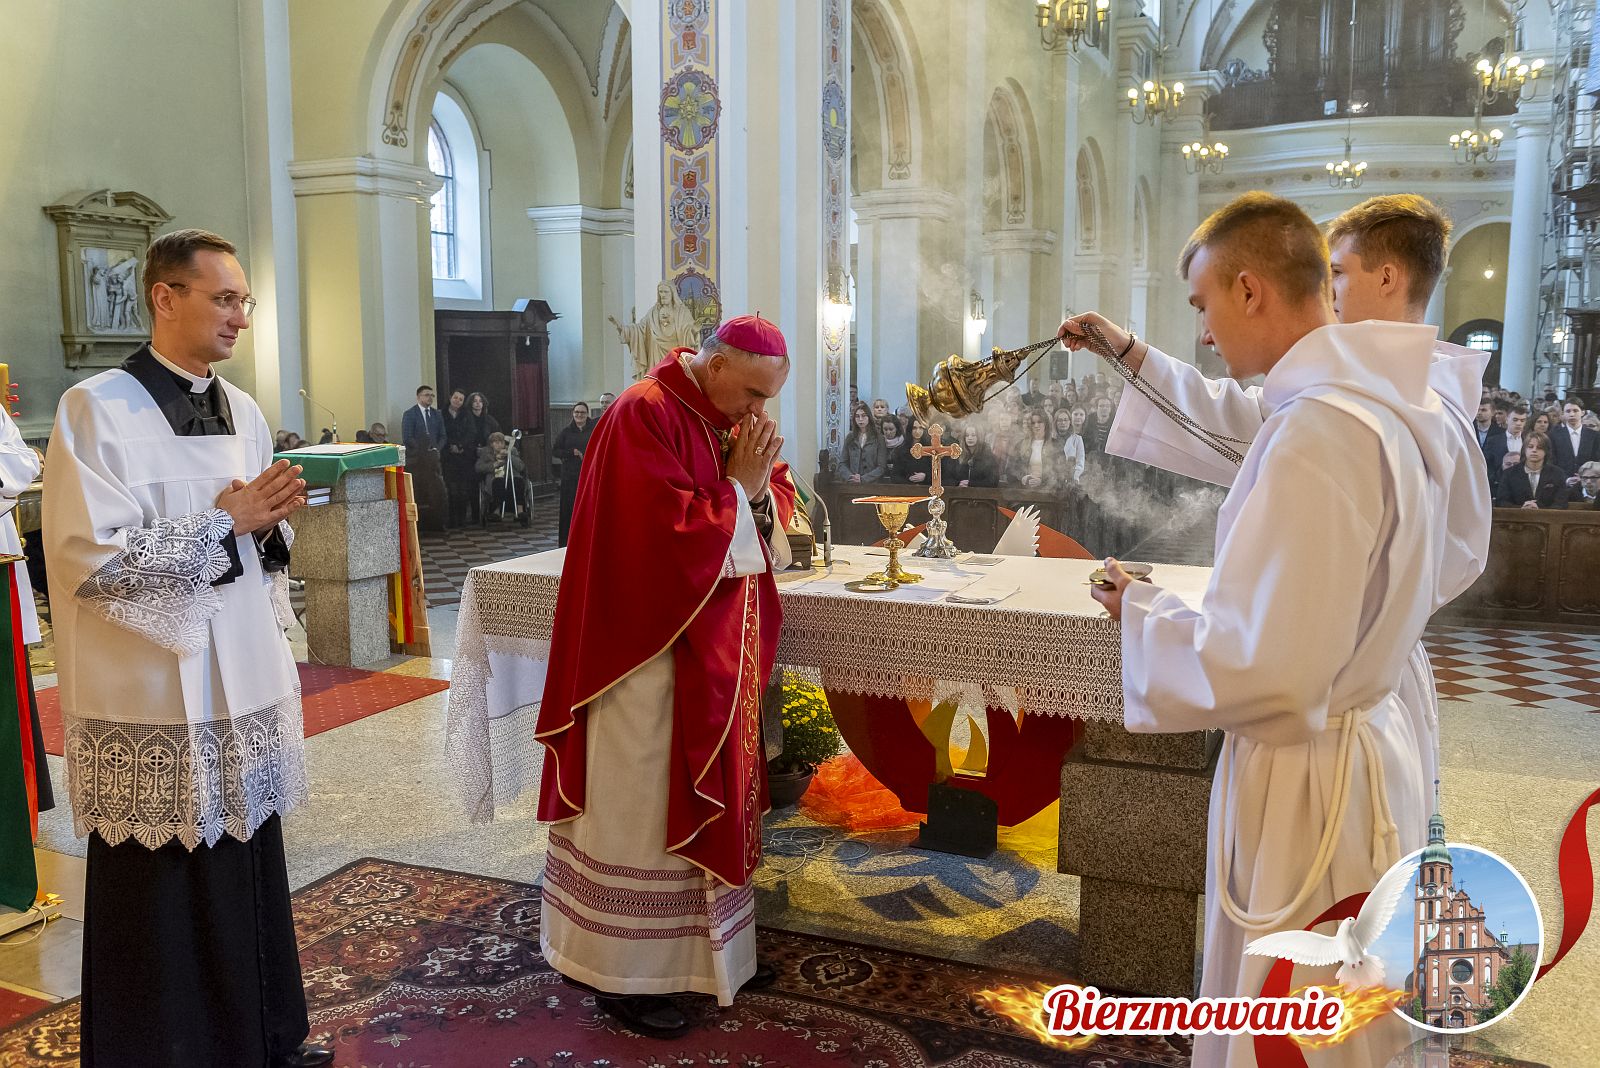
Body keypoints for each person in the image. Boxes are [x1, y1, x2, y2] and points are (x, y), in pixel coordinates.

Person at [1066, 193, 1440, 1068]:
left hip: (1311, 785)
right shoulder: (1366, 406)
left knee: (1298, 1028)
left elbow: (1269, 669)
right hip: (1355, 748)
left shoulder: (1318, 434)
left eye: (1202, 306)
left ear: (1249, 290)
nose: (1203, 333)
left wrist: (1142, 611)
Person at [41, 229, 325, 1068]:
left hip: (242, 678)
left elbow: (260, 550)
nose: (241, 317)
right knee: (162, 892)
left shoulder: (245, 410)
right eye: (224, 299)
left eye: (244, 301)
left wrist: (267, 526)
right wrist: (224, 522)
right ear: (165, 298)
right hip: (153, 695)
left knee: (248, 863)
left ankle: (263, 1038)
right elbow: (89, 564)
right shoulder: (95, 409)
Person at [534, 315, 795, 1037]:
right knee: (640, 811)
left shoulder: (725, 418)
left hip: (710, 658)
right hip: (642, 659)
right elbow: (656, 541)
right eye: (752, 394)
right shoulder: (642, 413)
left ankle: (718, 958)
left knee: (709, 800)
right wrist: (739, 491)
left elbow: (772, 496)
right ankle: (625, 973)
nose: (757, 412)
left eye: (768, 399)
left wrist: (757, 493)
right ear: (717, 365)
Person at [551, 401, 593, 545]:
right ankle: (566, 542)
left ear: (587, 414)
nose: (579, 415)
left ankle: (587, 540)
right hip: (569, 476)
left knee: (587, 507)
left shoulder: (593, 430)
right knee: (569, 507)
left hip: (588, 474)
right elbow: (556, 451)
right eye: (577, 412)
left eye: (582, 412)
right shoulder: (566, 432)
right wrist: (571, 452)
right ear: (573, 414)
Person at [1495, 431, 1570, 509]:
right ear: (1524, 449)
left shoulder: (1557, 474)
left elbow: (1561, 503)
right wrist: (1521, 508)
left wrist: (1539, 508)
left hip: (1547, 516)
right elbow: (1501, 502)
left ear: (1546, 451)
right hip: (1516, 516)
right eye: (1530, 447)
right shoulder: (1509, 473)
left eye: (1539, 447)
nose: (1534, 450)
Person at [475, 430, 530, 523]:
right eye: (496, 442)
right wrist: (493, 465)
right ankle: (496, 511)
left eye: (501, 442)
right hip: (495, 478)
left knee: (518, 481)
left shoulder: (512, 450)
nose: (499, 444)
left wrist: (509, 456)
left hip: (511, 476)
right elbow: (478, 467)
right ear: (491, 444)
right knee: (498, 482)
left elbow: (521, 466)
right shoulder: (485, 453)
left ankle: (520, 510)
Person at [442, 388, 479, 527]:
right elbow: (441, 432)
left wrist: (460, 445)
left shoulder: (467, 415)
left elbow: (471, 432)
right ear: (450, 397)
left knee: (463, 488)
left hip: (464, 456)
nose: (457, 401)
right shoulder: (441, 414)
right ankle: (451, 519)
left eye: (461, 399)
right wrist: (450, 446)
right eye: (455, 398)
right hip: (448, 455)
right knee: (451, 488)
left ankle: (462, 518)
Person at [1005, 409, 1062, 491]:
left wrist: (1042, 481)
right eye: (1033, 423)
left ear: (1046, 424)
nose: (1036, 425)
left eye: (1039, 422)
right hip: (1024, 491)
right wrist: (1022, 477)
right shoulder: (1020, 445)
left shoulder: (1056, 445)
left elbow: (1061, 473)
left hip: (1048, 492)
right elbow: (1010, 469)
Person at [838, 402, 887, 484]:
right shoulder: (850, 437)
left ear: (869, 417)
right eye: (857, 416)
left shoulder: (879, 438)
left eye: (863, 416)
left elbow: (881, 467)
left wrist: (863, 479)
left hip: (872, 484)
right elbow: (842, 463)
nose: (860, 419)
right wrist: (850, 477)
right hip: (852, 483)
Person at [1550, 398, 1600, 475]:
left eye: (1575, 411)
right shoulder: (1554, 435)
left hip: (1587, 478)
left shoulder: (1594, 436)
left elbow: (1596, 459)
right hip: (1561, 479)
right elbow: (1552, 460)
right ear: (1563, 413)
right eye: (1568, 411)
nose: (1572, 414)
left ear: (1582, 412)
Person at [401, 384, 446, 452]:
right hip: (416, 453)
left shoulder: (437, 414)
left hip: (434, 453)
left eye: (432, 395)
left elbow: (443, 436)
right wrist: (423, 449)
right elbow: (407, 437)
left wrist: (437, 448)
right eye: (427, 395)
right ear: (418, 397)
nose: (430, 398)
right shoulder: (409, 414)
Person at [1052, 407, 1086, 484]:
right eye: (1060, 420)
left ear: (1070, 422)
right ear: (1055, 422)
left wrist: (1075, 476)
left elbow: (1080, 461)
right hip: (1053, 479)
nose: (1063, 423)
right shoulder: (1050, 439)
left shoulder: (1077, 439)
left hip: (1071, 479)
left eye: (1065, 420)